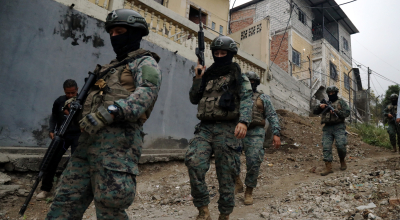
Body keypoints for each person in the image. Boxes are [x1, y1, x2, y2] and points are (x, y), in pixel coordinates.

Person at [46, 9, 162, 220]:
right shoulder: (108, 68)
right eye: (112, 32)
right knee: (64, 203)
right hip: (86, 146)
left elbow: (146, 95)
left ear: (134, 33)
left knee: (111, 209)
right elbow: (95, 99)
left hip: (117, 150)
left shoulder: (145, 63)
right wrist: (76, 105)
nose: (114, 37)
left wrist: (107, 113)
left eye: (120, 31)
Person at [185, 36, 253, 220]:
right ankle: (203, 211)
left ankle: (224, 214)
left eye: (224, 53)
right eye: (217, 53)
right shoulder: (207, 75)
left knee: (227, 175)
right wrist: (198, 77)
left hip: (227, 129)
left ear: (230, 54)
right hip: (205, 129)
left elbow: (247, 99)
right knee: (194, 163)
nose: (220, 55)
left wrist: (244, 121)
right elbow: (193, 99)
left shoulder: (238, 75)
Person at [234, 71, 281, 205]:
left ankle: (249, 191)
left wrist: (276, 133)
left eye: (252, 81)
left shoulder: (263, 98)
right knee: (229, 159)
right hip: (237, 131)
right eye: (247, 81)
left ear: (256, 83)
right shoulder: (237, 97)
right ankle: (237, 182)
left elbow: (272, 115)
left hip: (255, 132)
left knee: (254, 162)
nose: (250, 84)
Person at [36, 79, 81, 201]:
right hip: (62, 135)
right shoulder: (59, 101)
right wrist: (51, 130)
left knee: (77, 162)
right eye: (68, 93)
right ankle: (45, 189)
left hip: (78, 135)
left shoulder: (83, 100)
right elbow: (54, 117)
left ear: (77, 90)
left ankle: (73, 191)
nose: (70, 95)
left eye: (73, 93)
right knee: (51, 160)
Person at [313, 86, 350, 176]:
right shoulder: (324, 102)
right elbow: (315, 111)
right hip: (327, 127)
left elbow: (347, 113)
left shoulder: (341, 102)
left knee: (341, 145)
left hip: (339, 126)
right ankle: (328, 167)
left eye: (333, 93)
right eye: (329, 93)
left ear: (336, 93)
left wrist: (337, 112)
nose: (331, 94)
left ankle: (342, 160)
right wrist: (320, 107)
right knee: (326, 147)